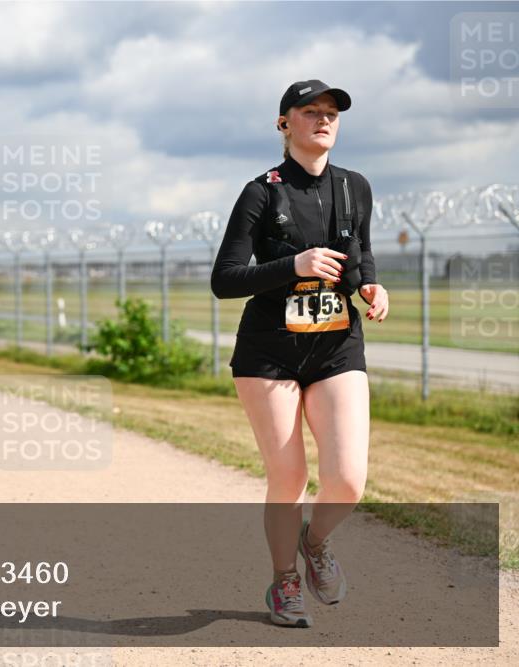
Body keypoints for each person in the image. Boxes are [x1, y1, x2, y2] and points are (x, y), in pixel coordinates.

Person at [211, 80, 390, 628]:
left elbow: (360, 253)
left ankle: (315, 542)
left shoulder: (354, 187)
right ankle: (285, 579)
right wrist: (294, 265)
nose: (324, 119)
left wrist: (370, 285)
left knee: (348, 480)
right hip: (269, 352)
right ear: (284, 124)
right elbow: (225, 279)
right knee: (289, 477)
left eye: (331, 112)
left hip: (336, 347)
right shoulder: (261, 192)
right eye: (311, 111)